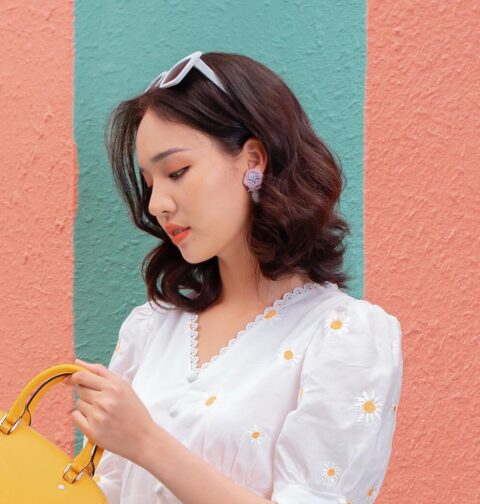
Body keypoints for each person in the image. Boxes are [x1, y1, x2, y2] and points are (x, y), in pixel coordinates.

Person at [75, 50, 403, 503]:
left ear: (253, 160)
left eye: (177, 172)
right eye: (149, 183)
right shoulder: (150, 329)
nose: (157, 205)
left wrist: (147, 442)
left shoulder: (343, 338)